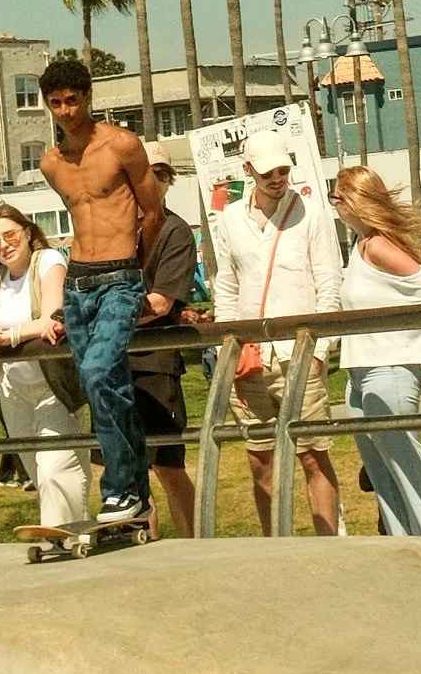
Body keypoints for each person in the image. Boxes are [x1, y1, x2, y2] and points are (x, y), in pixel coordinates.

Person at [33, 56, 154, 537]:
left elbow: (154, 213)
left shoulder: (121, 144)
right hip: (78, 283)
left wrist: (136, 274)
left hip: (120, 275)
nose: (64, 111)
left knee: (100, 372)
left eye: (72, 100)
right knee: (101, 386)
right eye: (55, 103)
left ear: (88, 97)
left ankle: (120, 487)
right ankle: (133, 493)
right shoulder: (51, 163)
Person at [206, 132, 343, 535]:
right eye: (268, 171)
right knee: (260, 459)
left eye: (283, 170)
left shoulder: (312, 213)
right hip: (249, 358)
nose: (277, 178)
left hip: (300, 354)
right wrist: (226, 350)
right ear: (248, 170)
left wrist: (320, 351)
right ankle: (274, 545)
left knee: (313, 456)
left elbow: (328, 285)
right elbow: (226, 287)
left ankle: (328, 544)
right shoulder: (230, 218)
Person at [332, 166, 421, 546]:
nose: (334, 203)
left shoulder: (379, 245)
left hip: (389, 371)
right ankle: (406, 556)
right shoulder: (359, 245)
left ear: (354, 200)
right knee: (384, 479)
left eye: (338, 196)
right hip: (358, 372)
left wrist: (403, 340)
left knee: (410, 474)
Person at [0, 199, 88, 539]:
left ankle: (58, 534)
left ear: (28, 233)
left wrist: (1, 339)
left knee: (56, 467)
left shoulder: (48, 261)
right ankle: (72, 532)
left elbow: (52, 318)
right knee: (36, 471)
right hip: (13, 390)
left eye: (10, 235)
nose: (3, 245)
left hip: (52, 385)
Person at [129, 163, 204, 536]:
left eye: (160, 174)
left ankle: (195, 546)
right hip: (114, 362)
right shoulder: (116, 228)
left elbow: (160, 303)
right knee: (125, 467)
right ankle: (141, 545)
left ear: (169, 181)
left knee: (168, 465)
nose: (151, 181)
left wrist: (108, 318)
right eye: (143, 173)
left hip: (156, 362)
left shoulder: (176, 231)